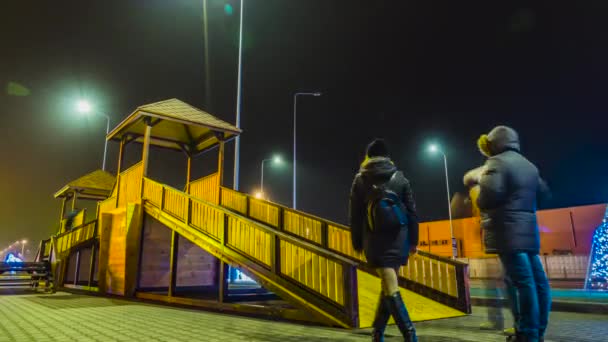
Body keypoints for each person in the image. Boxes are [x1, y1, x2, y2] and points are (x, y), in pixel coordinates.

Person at [468, 126, 551, 342]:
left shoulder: (496, 163)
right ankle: (538, 330)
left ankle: (527, 334)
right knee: (538, 282)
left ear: (494, 144)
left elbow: (488, 197)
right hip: (528, 230)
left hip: (507, 231)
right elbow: (543, 194)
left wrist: (479, 194)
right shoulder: (530, 166)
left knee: (523, 283)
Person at [349, 139, 419, 342]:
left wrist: (357, 242)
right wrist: (413, 241)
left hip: (374, 239)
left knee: (389, 286)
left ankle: (410, 335)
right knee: (389, 284)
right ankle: (377, 333)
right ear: (388, 156)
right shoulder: (401, 178)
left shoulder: (360, 180)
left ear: (368, 156)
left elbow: (355, 215)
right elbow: (412, 213)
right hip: (399, 239)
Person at [465, 170, 520, 336]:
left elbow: (485, 218)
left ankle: (519, 324)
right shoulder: (491, 192)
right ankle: (497, 320)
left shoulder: (487, 194)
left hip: (501, 246)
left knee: (509, 285)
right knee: (496, 286)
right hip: (492, 247)